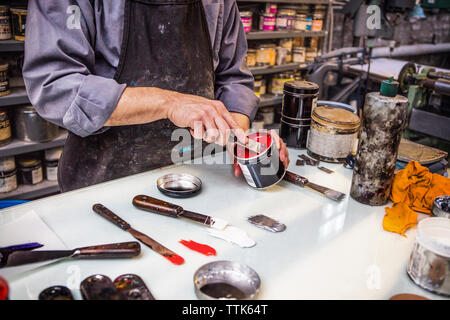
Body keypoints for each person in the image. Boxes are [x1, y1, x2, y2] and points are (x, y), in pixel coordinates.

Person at [23, 0, 289, 192]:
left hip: (199, 178)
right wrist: (169, 102)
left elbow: (234, 78)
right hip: (104, 185)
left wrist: (240, 141)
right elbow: (55, 84)